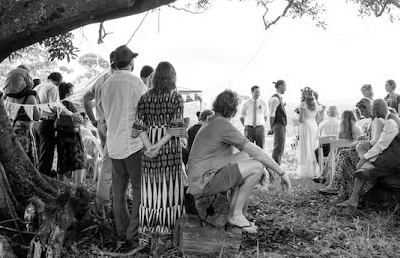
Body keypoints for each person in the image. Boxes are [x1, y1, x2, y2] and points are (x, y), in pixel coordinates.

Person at [188, 90, 291, 233]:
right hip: (204, 184)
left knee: (244, 156)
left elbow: (248, 152)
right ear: (233, 110)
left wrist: (270, 168)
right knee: (257, 167)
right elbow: (256, 151)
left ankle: (235, 211)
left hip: (200, 179)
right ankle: (236, 214)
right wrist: (281, 172)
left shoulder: (211, 119)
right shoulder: (222, 125)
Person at [94, 45, 147, 246]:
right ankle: (133, 235)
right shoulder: (136, 83)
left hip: (113, 145)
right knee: (139, 190)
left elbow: (103, 114)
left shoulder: (105, 84)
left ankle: (121, 231)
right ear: (131, 62)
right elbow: (144, 114)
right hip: (133, 145)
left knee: (119, 192)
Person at [132, 61, 187, 245]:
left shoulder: (144, 98)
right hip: (169, 148)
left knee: (150, 187)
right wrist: (158, 146)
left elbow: (139, 126)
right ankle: (169, 230)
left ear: (155, 77)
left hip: (148, 146)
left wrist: (149, 146)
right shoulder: (176, 98)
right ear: (172, 77)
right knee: (169, 185)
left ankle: (148, 231)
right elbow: (174, 128)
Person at [338, 99, 400, 208]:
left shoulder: (390, 122)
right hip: (396, 155)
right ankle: (353, 198)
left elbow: (381, 145)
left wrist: (364, 159)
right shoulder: (391, 118)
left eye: (377, 112)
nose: (376, 115)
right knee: (363, 167)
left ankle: (354, 199)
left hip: (399, 159)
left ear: (380, 110)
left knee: (362, 169)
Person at [84, 67, 114, 206]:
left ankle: (109, 198)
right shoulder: (115, 78)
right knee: (110, 164)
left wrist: (94, 120)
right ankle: (104, 201)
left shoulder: (101, 79)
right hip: (112, 125)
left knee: (110, 163)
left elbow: (86, 99)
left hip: (101, 123)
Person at [3, 65, 40, 163]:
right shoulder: (30, 97)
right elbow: (37, 117)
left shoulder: (7, 98)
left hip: (8, 133)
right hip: (23, 136)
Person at [34, 72, 63, 176]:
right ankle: (44, 178)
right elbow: (54, 106)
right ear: (58, 82)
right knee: (46, 154)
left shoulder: (37, 87)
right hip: (47, 122)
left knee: (37, 153)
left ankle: (37, 176)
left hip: (35, 123)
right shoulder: (52, 87)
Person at [55, 82, 86, 182]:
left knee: (62, 161)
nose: (73, 93)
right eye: (71, 91)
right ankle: (79, 185)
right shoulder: (69, 103)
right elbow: (79, 119)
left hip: (60, 134)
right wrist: (81, 117)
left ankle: (61, 185)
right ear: (66, 93)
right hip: (73, 135)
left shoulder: (56, 103)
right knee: (79, 160)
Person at [296, 87, 321, 178]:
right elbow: (318, 119)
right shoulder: (315, 104)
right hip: (313, 126)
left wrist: (297, 119)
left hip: (305, 126)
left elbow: (301, 119)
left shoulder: (303, 104)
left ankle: (305, 172)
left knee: (305, 147)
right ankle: (314, 171)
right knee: (313, 146)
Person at [316, 105, 341, 182]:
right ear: (337, 114)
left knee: (317, 151)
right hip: (336, 149)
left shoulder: (322, 124)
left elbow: (318, 137)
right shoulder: (340, 124)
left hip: (325, 149)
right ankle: (330, 173)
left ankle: (323, 172)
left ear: (327, 113)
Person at [268, 80, 288, 166]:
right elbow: (272, 115)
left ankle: (277, 171)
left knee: (280, 149)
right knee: (278, 149)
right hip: (278, 125)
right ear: (280, 86)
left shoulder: (279, 98)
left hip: (281, 125)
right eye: (285, 86)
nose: (286, 88)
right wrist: (271, 127)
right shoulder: (275, 99)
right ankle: (275, 172)